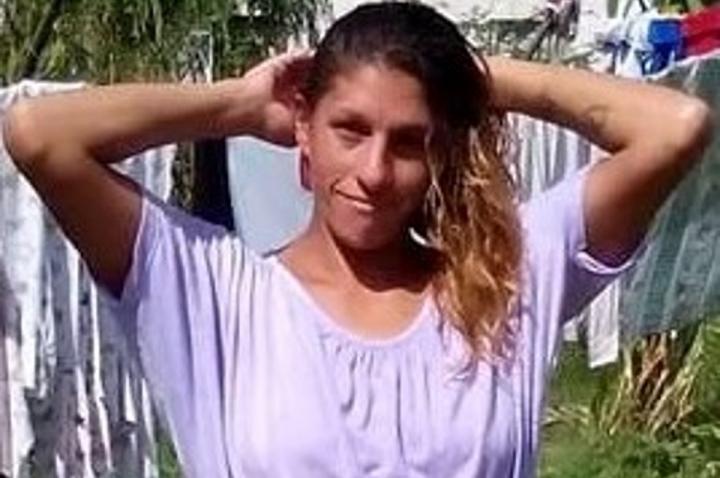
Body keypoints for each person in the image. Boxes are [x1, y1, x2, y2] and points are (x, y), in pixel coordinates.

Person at [4, 2, 712, 477]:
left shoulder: (502, 282)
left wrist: (471, 76)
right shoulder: (212, 295)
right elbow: (39, 135)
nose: (374, 172)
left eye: (408, 142)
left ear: (440, 154)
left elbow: (675, 127)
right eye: (350, 129)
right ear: (304, 131)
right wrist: (237, 105)